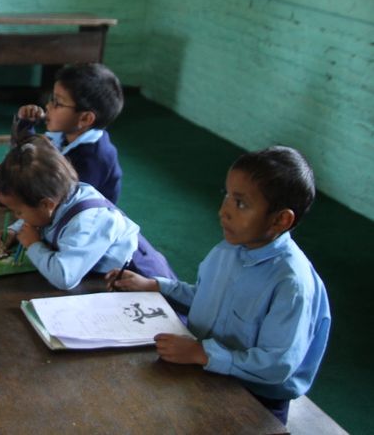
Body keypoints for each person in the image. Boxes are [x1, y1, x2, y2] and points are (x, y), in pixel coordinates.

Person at [107, 146, 331, 425]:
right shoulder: (228, 250)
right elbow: (205, 297)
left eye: (240, 203)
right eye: (226, 195)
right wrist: (155, 285)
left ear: (280, 219)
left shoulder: (291, 284)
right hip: (203, 368)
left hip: (256, 398)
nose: (224, 211)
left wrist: (202, 353)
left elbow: (276, 365)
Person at [0, 137, 175, 291]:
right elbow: (39, 217)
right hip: (94, 271)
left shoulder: (87, 223)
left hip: (140, 279)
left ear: (47, 204)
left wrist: (33, 245)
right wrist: (15, 231)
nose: (17, 217)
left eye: (18, 211)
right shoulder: (59, 195)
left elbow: (64, 277)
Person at [0, 62, 124, 204]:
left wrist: (10, 198)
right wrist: (25, 122)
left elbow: (63, 202)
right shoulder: (64, 136)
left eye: (58, 103)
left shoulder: (95, 158)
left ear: (85, 118)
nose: (48, 106)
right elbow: (26, 153)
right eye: (51, 99)